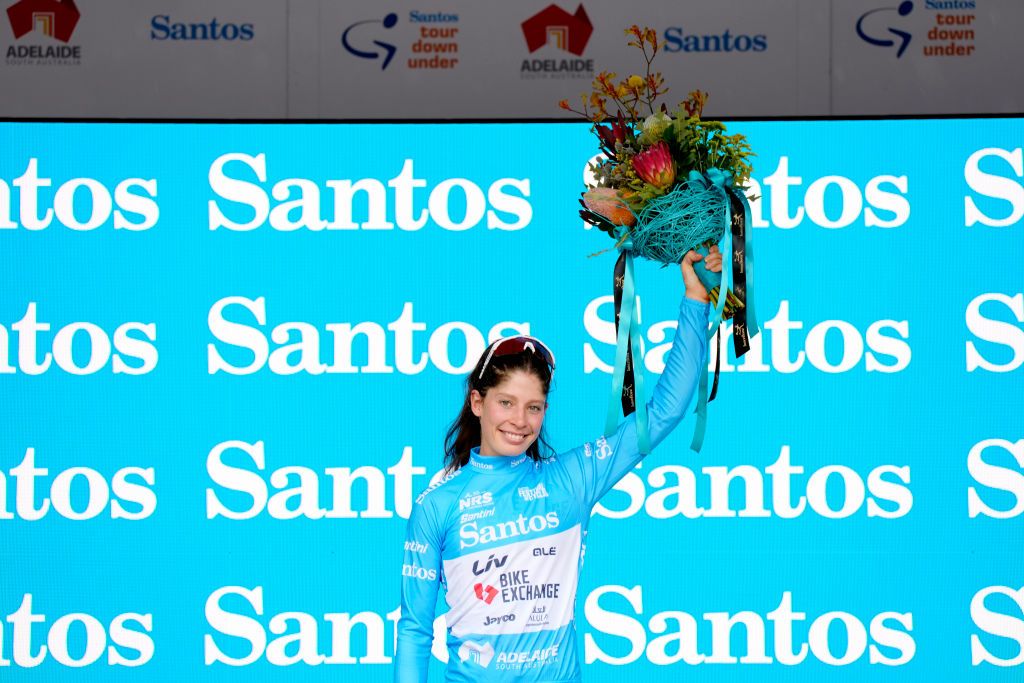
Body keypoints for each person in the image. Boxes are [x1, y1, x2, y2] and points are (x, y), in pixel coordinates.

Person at [395, 247, 723, 682]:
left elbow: (666, 410)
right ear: (477, 402)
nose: (519, 420)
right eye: (506, 403)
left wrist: (696, 301)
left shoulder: (572, 480)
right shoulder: (438, 504)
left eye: (534, 407)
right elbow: (415, 631)